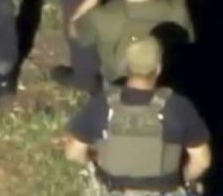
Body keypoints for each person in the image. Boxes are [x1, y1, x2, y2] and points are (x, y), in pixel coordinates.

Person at [64, 37, 211, 196]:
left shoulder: (102, 103)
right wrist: (182, 180)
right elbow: (202, 161)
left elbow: (73, 153)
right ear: (158, 68)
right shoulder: (178, 106)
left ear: (127, 67)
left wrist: (93, 157)